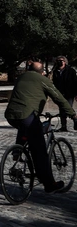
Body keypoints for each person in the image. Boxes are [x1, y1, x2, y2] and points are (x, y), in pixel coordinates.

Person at [5, 61, 77, 193]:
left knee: (25, 128)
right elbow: (59, 98)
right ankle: (49, 184)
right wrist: (72, 114)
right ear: (42, 72)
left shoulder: (21, 77)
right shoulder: (43, 80)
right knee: (39, 151)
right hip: (27, 115)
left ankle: (17, 151)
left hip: (11, 115)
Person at [51, 56, 77, 132]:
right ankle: (63, 126)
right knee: (61, 109)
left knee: (68, 108)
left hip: (69, 93)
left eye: (61, 60)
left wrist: (76, 93)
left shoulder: (71, 71)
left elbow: (75, 83)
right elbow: (55, 83)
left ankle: (75, 120)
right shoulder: (55, 71)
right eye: (58, 61)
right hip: (60, 93)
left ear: (65, 62)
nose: (59, 62)